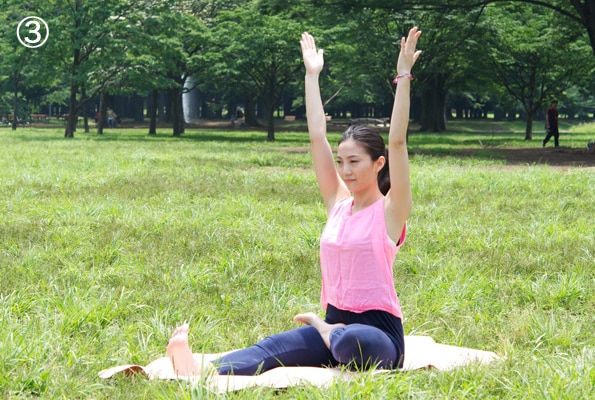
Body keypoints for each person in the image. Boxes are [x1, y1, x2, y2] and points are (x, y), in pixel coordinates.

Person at [166, 27, 422, 377]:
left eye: (354, 162)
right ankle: (200, 369)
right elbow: (317, 137)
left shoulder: (391, 211)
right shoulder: (338, 204)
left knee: (351, 342)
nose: (345, 170)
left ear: (379, 164)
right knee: (272, 347)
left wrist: (403, 76)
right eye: (341, 161)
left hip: (378, 334)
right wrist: (311, 76)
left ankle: (328, 333)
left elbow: (397, 142)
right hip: (335, 317)